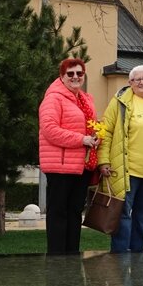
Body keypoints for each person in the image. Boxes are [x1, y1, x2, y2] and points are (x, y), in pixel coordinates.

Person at [98, 65, 143, 253]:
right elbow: (106, 131)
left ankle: (138, 255)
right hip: (125, 170)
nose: (142, 82)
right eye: (137, 79)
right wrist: (103, 160)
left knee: (142, 216)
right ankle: (120, 256)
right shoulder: (119, 102)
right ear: (130, 83)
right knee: (122, 215)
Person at [39, 58, 99, 254]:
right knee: (58, 214)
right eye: (70, 73)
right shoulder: (53, 98)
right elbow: (49, 130)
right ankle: (57, 258)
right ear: (62, 76)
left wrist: (96, 137)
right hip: (60, 166)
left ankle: (72, 255)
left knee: (74, 213)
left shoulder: (85, 99)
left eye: (79, 73)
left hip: (81, 166)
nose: (75, 77)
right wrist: (82, 139)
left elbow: (89, 127)